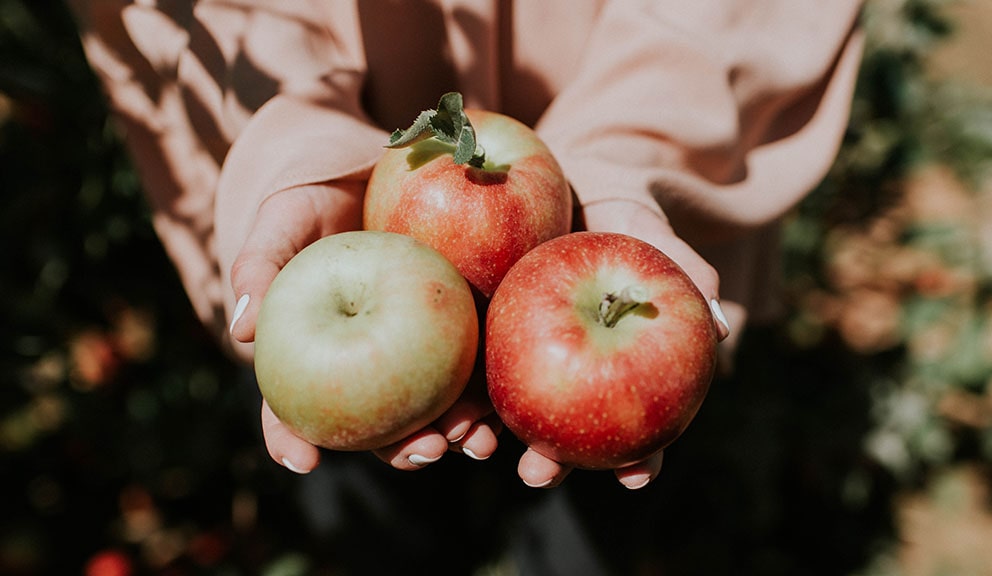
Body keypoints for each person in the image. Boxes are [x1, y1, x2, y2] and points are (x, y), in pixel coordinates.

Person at [69, 0, 863, 494]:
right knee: (373, 517)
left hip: (612, 238)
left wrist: (622, 163)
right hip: (349, 260)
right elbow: (202, 18)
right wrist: (299, 141)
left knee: (596, 521)